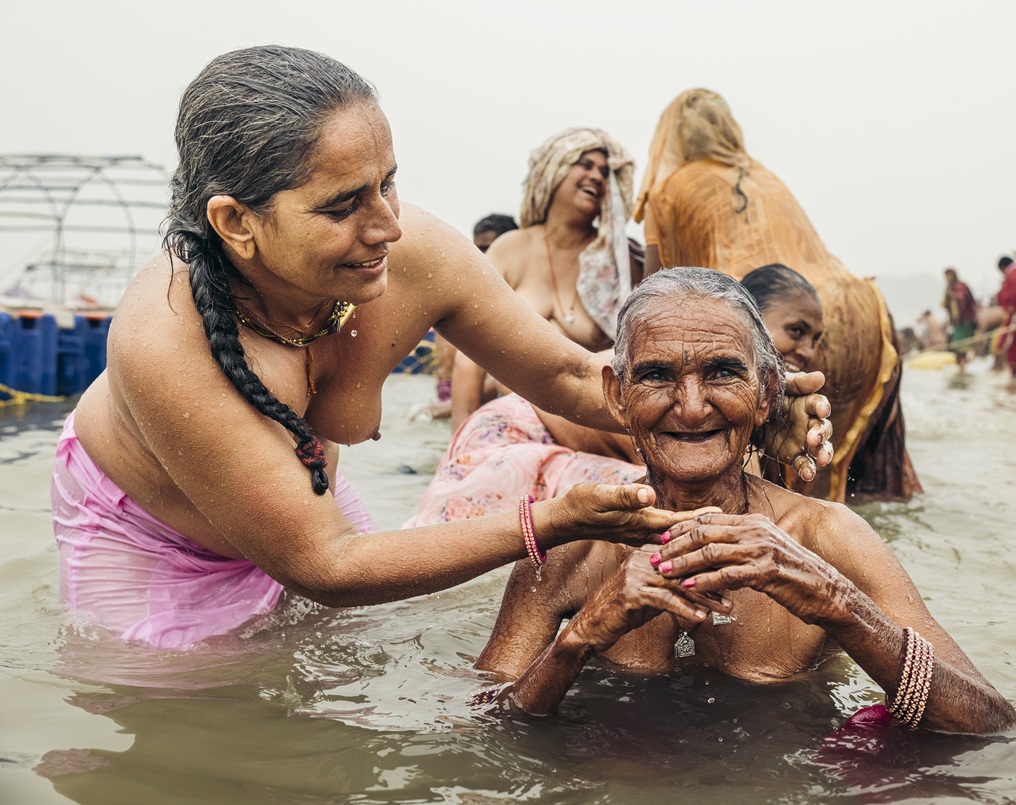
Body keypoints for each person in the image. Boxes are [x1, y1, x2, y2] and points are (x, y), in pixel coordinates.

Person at [50, 46, 833, 650]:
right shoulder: (164, 341)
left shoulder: (410, 253)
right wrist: (553, 518)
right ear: (235, 222)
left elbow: (566, 372)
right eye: (344, 205)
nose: (389, 224)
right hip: (153, 544)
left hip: (308, 508)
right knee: (197, 733)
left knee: (349, 671)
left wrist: (755, 412)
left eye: (389, 182)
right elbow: (326, 567)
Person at [474, 268, 1016, 734]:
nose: (691, 408)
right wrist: (582, 635)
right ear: (617, 396)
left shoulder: (823, 538)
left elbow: (993, 725)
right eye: (657, 375)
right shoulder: (573, 547)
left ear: (764, 394)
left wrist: (833, 599)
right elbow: (487, 731)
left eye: (722, 373)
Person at [634, 88, 919, 503]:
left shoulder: (671, 188)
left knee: (759, 475)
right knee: (831, 466)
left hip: (774, 314)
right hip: (858, 307)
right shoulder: (766, 175)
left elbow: (651, 293)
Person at [406, 263, 839, 527]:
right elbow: (552, 378)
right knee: (641, 513)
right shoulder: (661, 346)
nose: (806, 349)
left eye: (724, 371)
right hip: (516, 434)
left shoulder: (760, 407)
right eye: (795, 331)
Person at [450, 128, 642, 430]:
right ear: (555, 169)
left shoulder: (621, 263)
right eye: (586, 165)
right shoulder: (511, 248)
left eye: (605, 172)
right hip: (515, 426)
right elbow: (467, 362)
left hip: (592, 428)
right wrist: (457, 450)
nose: (596, 176)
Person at [426, 214, 521, 419]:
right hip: (448, 400)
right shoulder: (459, 294)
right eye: (477, 248)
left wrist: (451, 408)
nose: (481, 256)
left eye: (487, 247)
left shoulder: (516, 305)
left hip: (481, 408)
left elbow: (508, 377)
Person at [942, 268, 979, 373]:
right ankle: (961, 371)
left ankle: (963, 371)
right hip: (957, 324)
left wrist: (953, 295)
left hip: (965, 322)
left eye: (949, 276)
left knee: (961, 349)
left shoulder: (960, 287)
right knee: (957, 350)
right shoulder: (950, 288)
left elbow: (961, 299)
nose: (947, 279)